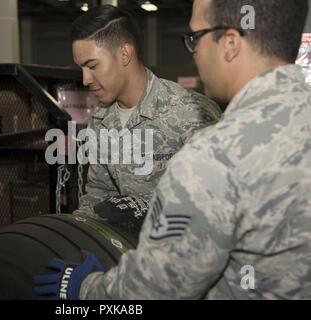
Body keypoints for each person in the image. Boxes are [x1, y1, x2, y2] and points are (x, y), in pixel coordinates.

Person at [34, 0, 311, 300]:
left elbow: (164, 284)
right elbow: (98, 193)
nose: (194, 52)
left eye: (196, 37)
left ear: (230, 43)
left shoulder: (207, 143)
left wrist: (86, 290)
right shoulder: (102, 121)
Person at [70, 5, 221, 234]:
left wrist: (152, 210)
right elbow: (99, 191)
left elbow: (219, 198)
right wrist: (75, 235)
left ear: (124, 54)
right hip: (128, 253)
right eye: (81, 68)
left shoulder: (190, 111)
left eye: (92, 66)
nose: (85, 79)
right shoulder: (100, 120)